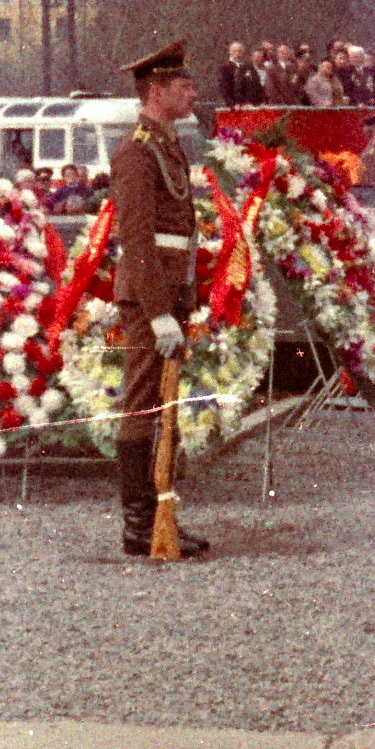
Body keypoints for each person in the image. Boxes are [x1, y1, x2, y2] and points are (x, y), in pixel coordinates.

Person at [110, 39, 209, 559]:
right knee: (143, 404)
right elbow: (138, 237)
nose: (193, 93)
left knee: (161, 405)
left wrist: (181, 297)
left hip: (169, 292)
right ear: (156, 91)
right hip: (152, 298)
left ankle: (160, 515)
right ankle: (139, 525)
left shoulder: (166, 144)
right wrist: (157, 311)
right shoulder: (136, 151)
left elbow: (182, 232)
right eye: (183, 86)